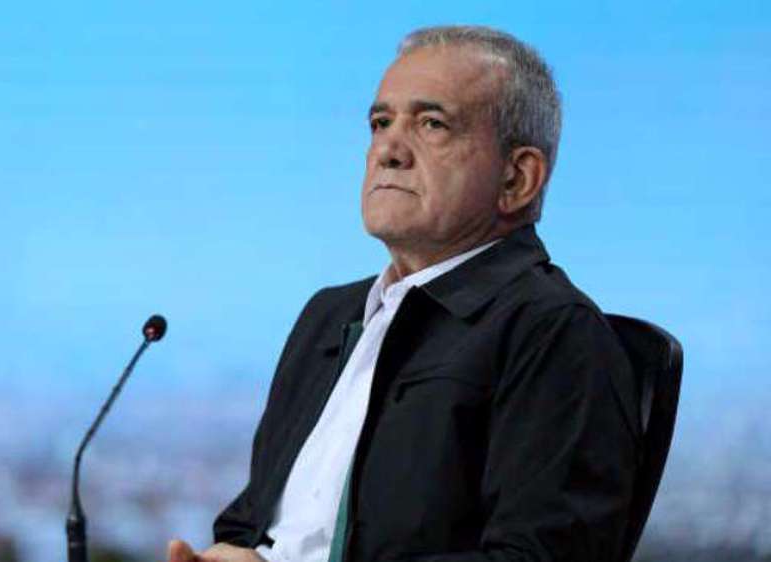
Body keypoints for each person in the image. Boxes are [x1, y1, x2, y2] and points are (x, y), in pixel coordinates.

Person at [167, 25, 640, 562]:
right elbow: (251, 521)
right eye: (380, 122)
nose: (388, 149)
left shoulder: (554, 331)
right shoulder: (329, 315)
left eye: (432, 124)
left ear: (518, 178)